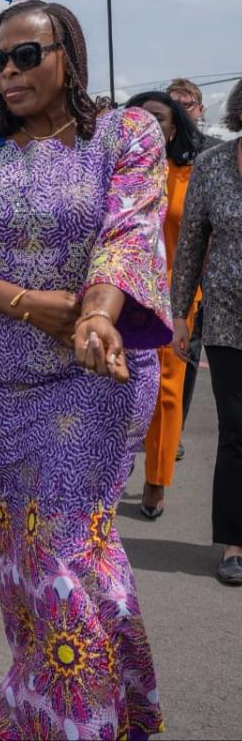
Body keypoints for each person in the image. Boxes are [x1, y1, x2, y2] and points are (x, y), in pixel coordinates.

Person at [0, 0, 170, 738]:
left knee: (59, 543)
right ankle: (117, 710)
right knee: (37, 553)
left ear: (70, 56)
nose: (8, 71)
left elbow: (130, 233)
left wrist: (95, 314)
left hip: (93, 374)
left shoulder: (126, 134)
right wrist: (28, 304)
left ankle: (75, 722)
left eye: (26, 55)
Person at [171, 79, 242, 586]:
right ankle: (235, 543)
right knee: (236, 431)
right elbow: (191, 243)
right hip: (227, 318)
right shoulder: (213, 165)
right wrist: (180, 313)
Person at [125, 91, 201, 519]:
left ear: (174, 128)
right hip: (120, 290)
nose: (149, 124)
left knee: (167, 391)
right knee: (114, 384)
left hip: (173, 294)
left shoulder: (190, 175)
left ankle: (156, 480)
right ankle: (110, 469)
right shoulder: (114, 171)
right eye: (139, 116)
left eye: (158, 118)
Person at [165, 77, 222, 461]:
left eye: (187, 104)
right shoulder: (152, 152)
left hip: (201, 278)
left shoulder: (214, 153)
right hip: (158, 270)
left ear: (199, 110)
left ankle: (175, 429)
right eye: (174, 105)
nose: (181, 111)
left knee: (185, 358)